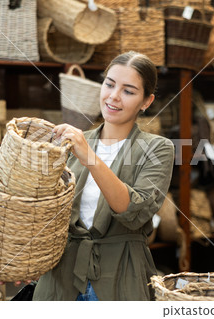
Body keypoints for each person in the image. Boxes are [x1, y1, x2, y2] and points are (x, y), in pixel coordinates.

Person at [32, 51, 175, 301]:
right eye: (109, 84)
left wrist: (88, 156)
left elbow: (132, 211)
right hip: (60, 279)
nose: (114, 96)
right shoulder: (72, 143)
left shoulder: (158, 149)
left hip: (119, 277)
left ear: (146, 102)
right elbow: (42, 208)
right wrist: (22, 259)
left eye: (128, 91)